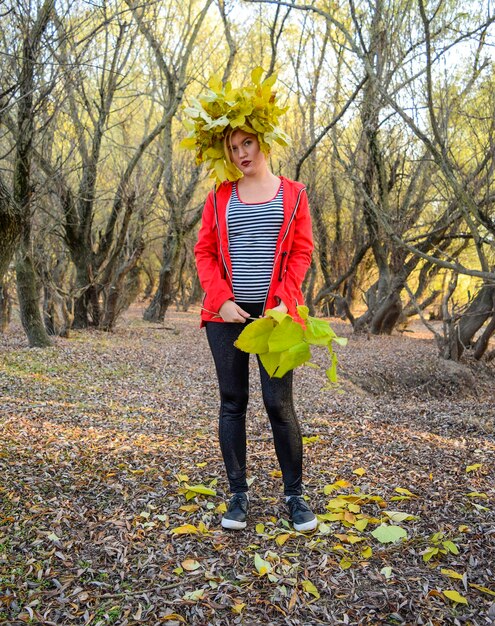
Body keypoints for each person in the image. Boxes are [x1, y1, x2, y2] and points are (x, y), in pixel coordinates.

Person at [188, 70, 316, 532]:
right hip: (226, 316)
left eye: (247, 144)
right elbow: (204, 253)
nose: (241, 154)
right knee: (232, 402)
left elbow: (301, 252)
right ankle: (238, 496)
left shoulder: (294, 195)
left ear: (263, 141)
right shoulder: (219, 197)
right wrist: (220, 300)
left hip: (276, 318)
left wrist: (284, 301)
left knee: (278, 403)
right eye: (233, 148)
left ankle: (295, 496)